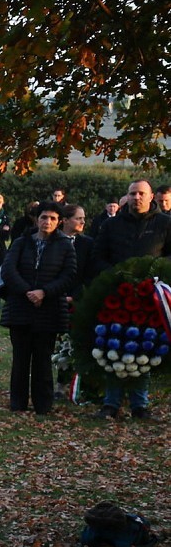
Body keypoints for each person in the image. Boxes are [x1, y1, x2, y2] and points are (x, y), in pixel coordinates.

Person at [91, 178, 171, 420]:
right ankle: (111, 403)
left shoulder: (165, 224)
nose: (136, 198)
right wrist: (115, 275)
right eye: (133, 193)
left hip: (150, 296)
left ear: (151, 197)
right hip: (117, 295)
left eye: (141, 194)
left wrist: (155, 273)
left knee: (145, 347)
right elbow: (98, 255)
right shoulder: (111, 225)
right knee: (113, 345)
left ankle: (139, 405)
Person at [0, 203, 75, 416]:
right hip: (20, 307)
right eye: (43, 217)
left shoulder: (65, 246)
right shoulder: (22, 242)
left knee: (43, 358)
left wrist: (44, 292)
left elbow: (68, 275)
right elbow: (8, 270)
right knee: (20, 358)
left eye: (52, 218)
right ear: (37, 219)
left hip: (49, 309)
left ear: (59, 221)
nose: (47, 222)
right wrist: (28, 292)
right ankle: (18, 402)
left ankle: (43, 404)